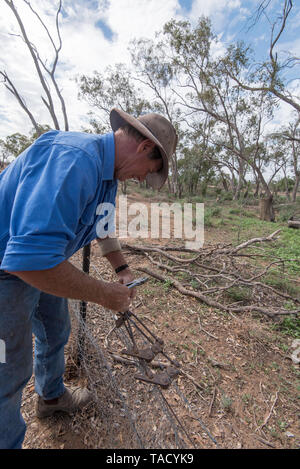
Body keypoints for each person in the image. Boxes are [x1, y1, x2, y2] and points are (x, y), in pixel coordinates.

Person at [0, 108, 178, 449]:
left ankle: (51, 397)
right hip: (9, 270)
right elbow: (29, 261)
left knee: (56, 331)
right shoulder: (73, 159)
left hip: (44, 262)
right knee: (7, 371)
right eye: (149, 171)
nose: (142, 179)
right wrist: (104, 294)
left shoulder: (107, 177)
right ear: (143, 148)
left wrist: (122, 270)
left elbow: (103, 227)